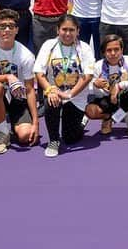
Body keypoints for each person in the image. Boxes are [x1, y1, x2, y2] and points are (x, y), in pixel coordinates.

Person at [0, 9, 39, 154]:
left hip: (19, 97)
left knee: (25, 137)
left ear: (17, 30)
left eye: (11, 26)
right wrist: (8, 77)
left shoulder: (26, 55)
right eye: (2, 26)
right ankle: (3, 133)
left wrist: (36, 122)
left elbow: (30, 90)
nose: (6, 30)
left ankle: (12, 122)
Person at [34, 14, 95, 157]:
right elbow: (39, 72)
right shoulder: (49, 45)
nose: (67, 33)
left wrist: (69, 94)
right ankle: (54, 140)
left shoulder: (84, 48)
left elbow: (87, 76)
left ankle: (81, 122)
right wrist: (49, 89)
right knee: (51, 100)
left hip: (75, 96)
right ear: (57, 30)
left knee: (70, 138)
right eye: (64, 29)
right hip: (55, 92)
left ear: (78, 31)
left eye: (72, 30)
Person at [86, 34, 128, 143]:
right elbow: (97, 95)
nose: (113, 53)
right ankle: (108, 118)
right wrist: (96, 86)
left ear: (122, 50)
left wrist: (119, 86)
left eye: (116, 49)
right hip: (107, 99)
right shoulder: (98, 66)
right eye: (109, 50)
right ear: (103, 52)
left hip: (125, 98)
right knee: (90, 111)